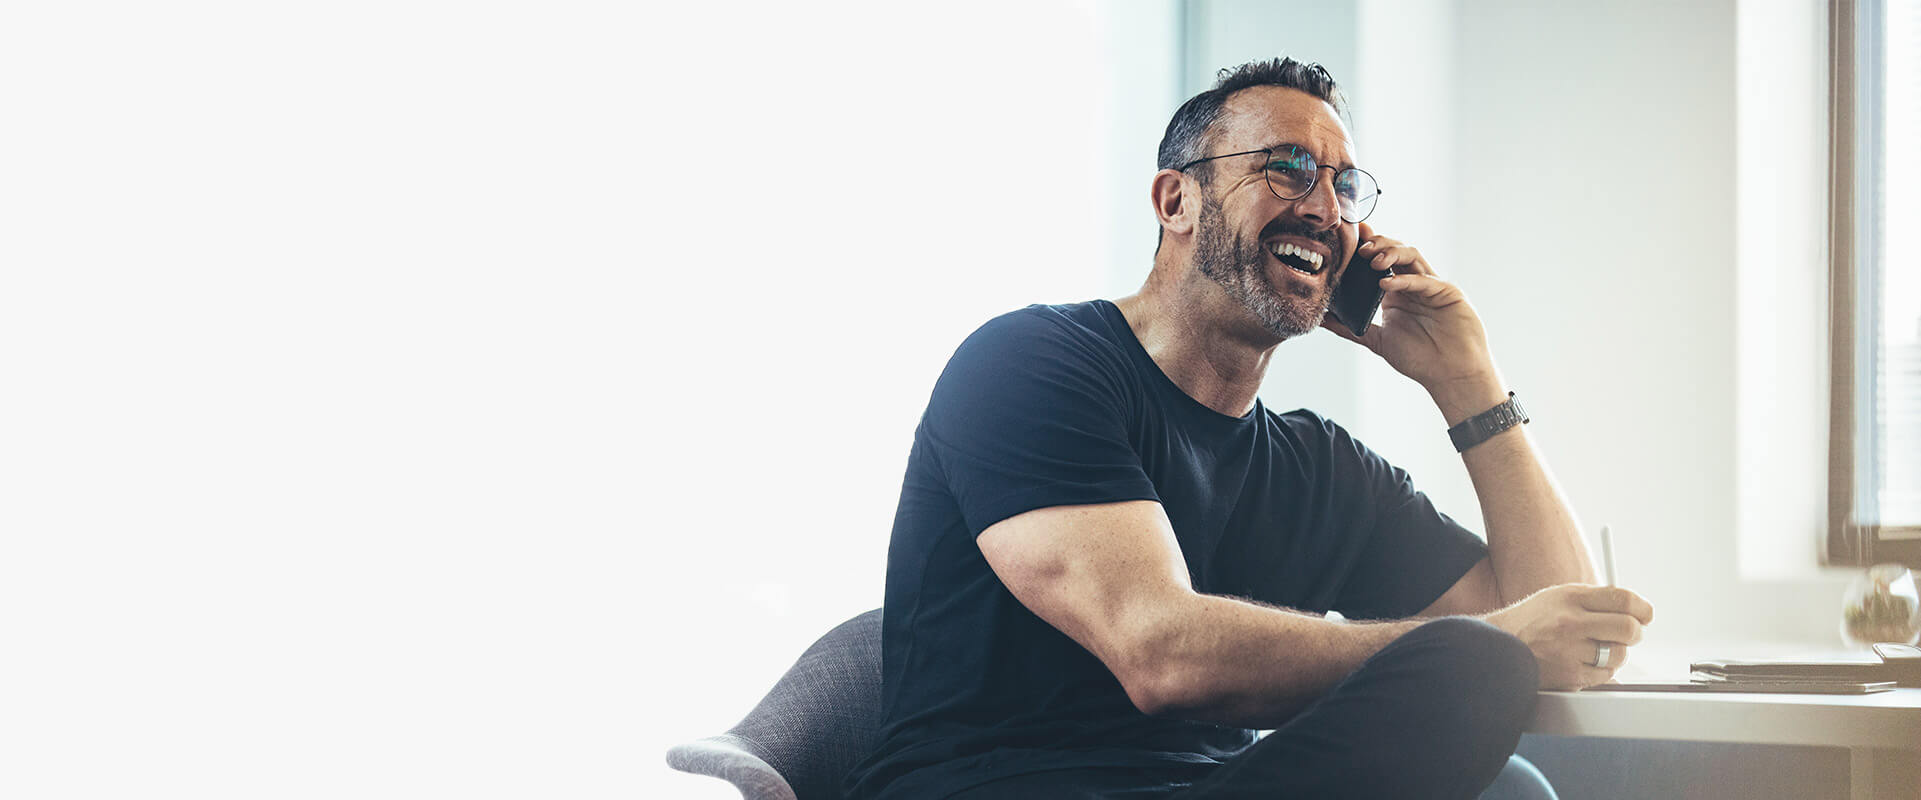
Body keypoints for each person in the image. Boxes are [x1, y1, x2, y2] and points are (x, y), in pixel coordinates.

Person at [842, 57, 1655, 800]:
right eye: (1287, 167)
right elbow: (1159, 652)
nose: (1324, 209)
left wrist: (1466, 383)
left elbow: (1564, 629)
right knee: (1477, 662)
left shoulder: (1321, 467)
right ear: (1177, 201)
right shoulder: (1032, 363)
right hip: (1003, 787)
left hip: (1208, 787)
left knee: (1509, 773)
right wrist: (1482, 647)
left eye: (1344, 187)